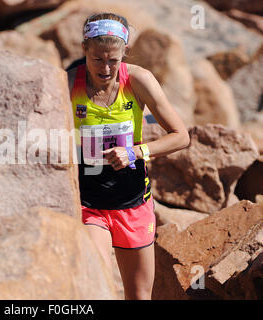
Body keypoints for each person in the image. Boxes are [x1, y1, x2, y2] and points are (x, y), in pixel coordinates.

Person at [66, 12, 190, 300]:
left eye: (113, 59)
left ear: (125, 52)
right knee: (94, 287)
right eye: (97, 58)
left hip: (133, 203)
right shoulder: (68, 83)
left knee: (138, 295)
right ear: (84, 48)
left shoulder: (139, 80)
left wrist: (135, 152)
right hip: (89, 204)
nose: (106, 68)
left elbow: (181, 136)